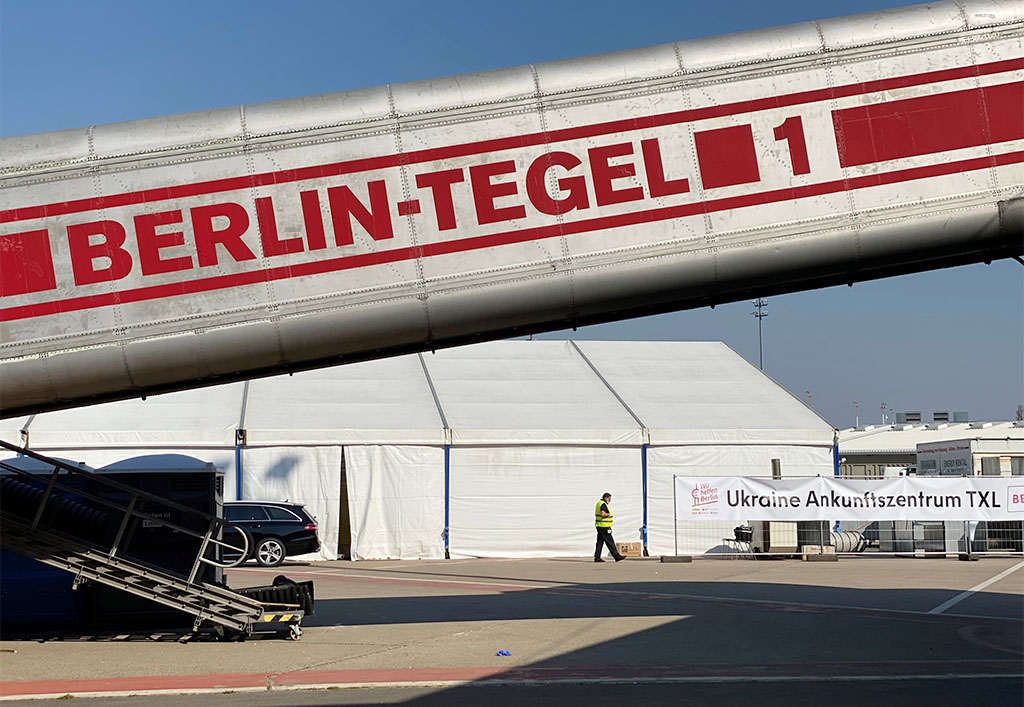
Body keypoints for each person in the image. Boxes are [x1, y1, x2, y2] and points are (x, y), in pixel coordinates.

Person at [594, 492, 625, 562]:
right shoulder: (603, 504)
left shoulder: (599, 503)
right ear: (606, 498)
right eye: (609, 498)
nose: (610, 500)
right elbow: (603, 514)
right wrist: (608, 515)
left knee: (600, 542)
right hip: (604, 527)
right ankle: (617, 556)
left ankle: (597, 557)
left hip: (599, 526)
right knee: (610, 542)